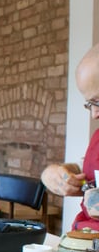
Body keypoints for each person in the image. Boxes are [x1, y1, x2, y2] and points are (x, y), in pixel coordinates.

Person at [41, 43, 99, 230]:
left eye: (98, 101)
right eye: (90, 104)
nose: (95, 114)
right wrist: (57, 173)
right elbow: (88, 176)